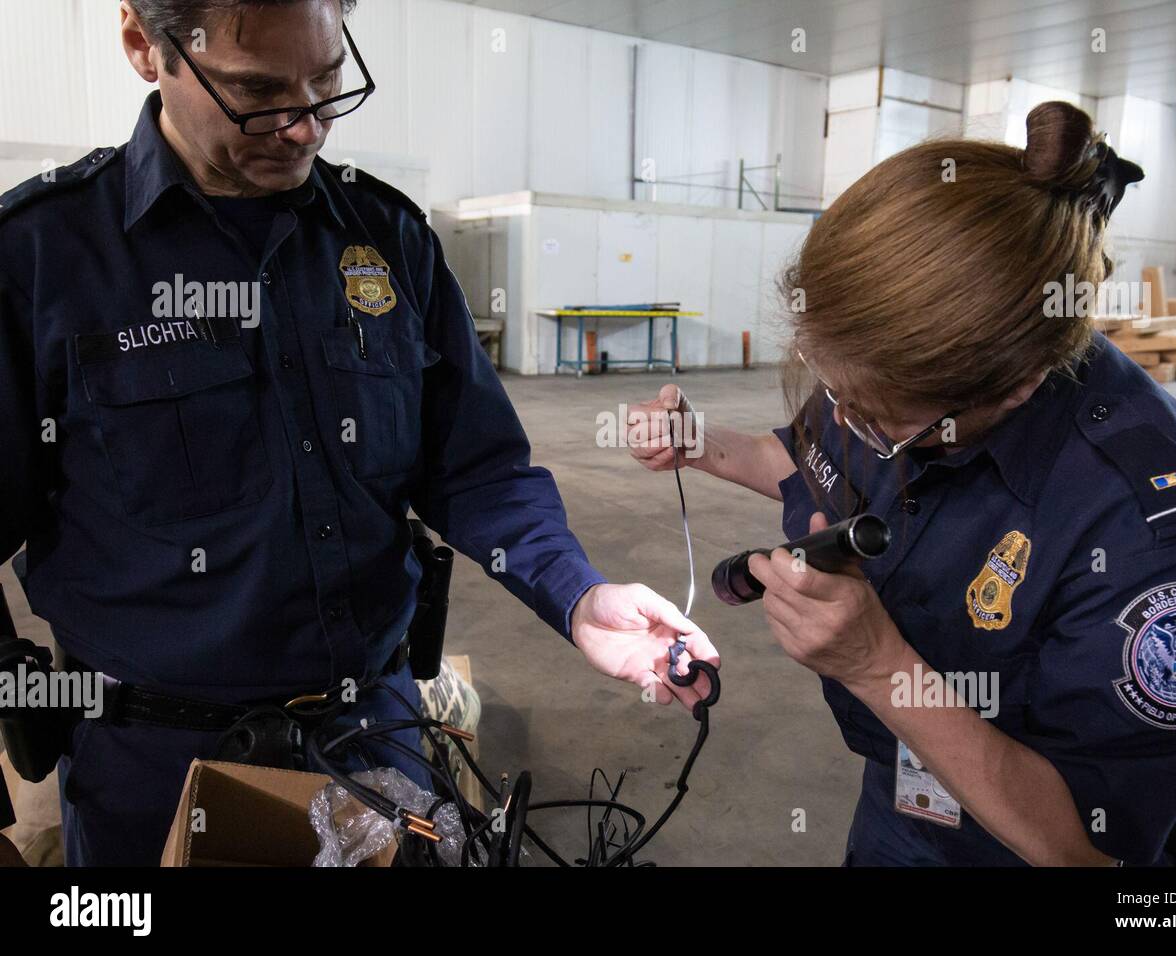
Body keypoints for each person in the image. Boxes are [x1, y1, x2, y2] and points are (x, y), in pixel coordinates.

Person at [0, 0, 716, 866]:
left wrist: (577, 595)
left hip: (378, 743)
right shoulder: (40, 261)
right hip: (151, 774)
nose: (305, 129)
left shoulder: (385, 238)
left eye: (329, 81)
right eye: (257, 92)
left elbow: (478, 468)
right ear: (144, 47)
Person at [628, 102, 1176, 866]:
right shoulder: (911, 385)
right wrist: (702, 444)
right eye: (838, 397)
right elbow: (816, 462)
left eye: (876, 416)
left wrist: (877, 665)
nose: (844, 419)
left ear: (1017, 386)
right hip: (903, 798)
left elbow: (1087, 853)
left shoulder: (1161, 532)